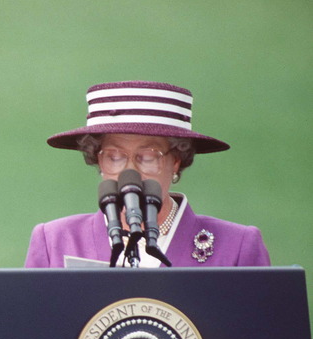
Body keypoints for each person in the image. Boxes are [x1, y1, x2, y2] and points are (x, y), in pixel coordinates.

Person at [24, 81, 270, 268]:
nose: (129, 172)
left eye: (148, 156)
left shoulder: (236, 246)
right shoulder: (55, 241)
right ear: (98, 161)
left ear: (176, 161)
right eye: (114, 156)